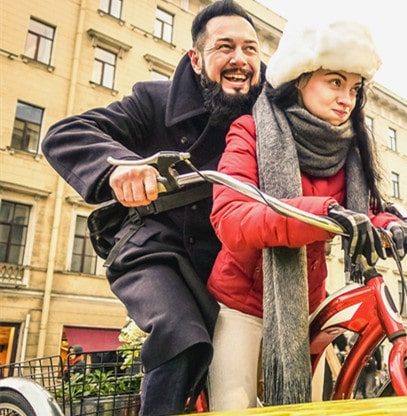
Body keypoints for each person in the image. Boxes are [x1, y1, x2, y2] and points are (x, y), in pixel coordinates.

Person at [41, 1, 264, 413]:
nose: (240, 59)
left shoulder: (270, 116)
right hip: (154, 252)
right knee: (181, 335)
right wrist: (120, 167)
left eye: (250, 49)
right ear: (195, 59)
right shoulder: (155, 100)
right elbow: (66, 133)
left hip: (229, 261)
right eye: (225, 47)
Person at [205, 18, 407, 410]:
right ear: (300, 79)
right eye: (335, 82)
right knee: (232, 408)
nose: (346, 98)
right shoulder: (251, 130)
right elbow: (232, 217)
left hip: (308, 308)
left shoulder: (349, 149)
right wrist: (324, 213)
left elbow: (365, 212)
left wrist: (392, 225)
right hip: (242, 306)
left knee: (309, 409)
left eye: (354, 88)